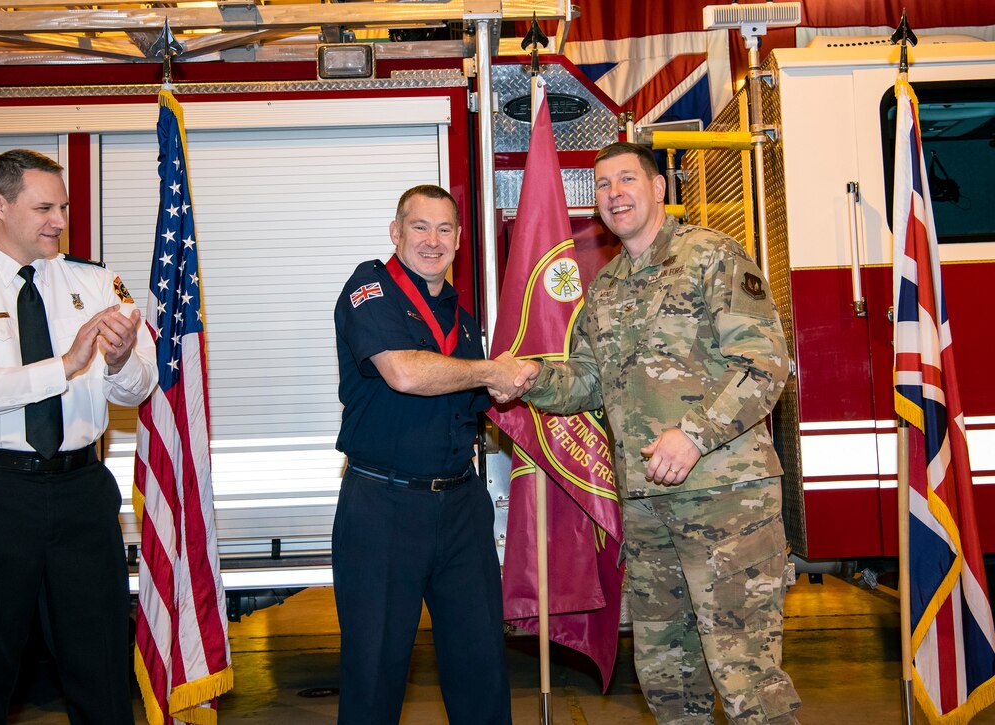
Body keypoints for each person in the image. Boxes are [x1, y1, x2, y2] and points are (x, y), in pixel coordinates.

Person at [503, 142, 803, 724]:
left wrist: (692, 434)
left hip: (725, 503)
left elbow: (765, 363)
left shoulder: (711, 255)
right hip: (647, 507)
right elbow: (590, 382)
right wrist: (528, 379)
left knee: (745, 678)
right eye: (603, 186)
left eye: (626, 180)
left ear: (659, 188)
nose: (614, 194)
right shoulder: (607, 286)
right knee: (668, 679)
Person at [0, 149, 157, 724]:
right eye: (43, 207)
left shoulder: (96, 283)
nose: (58, 220)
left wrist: (120, 361)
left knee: (99, 668)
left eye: (63, 206)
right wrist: (66, 363)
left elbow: (136, 390)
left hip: (81, 494)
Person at [332, 184, 520, 725]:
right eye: (420, 227)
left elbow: (482, 396)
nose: (432, 241)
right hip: (384, 507)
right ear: (396, 232)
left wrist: (534, 377)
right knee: (374, 673)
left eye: (444, 229)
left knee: (481, 666)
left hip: (460, 507)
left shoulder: (460, 316)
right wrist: (490, 369)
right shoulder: (369, 289)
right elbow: (406, 372)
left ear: (460, 240)